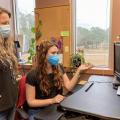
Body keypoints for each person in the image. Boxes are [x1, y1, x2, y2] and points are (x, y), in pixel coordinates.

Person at [26, 40, 92, 120]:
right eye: (53, 53)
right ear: (44, 55)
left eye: (57, 53)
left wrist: (78, 71)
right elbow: (31, 102)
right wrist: (52, 100)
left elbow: (69, 87)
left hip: (53, 107)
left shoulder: (58, 67)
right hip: (38, 111)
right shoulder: (32, 75)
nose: (56, 56)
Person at [0, 7, 18, 120]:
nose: (7, 27)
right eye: (3, 23)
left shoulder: (6, 46)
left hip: (11, 103)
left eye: (8, 23)